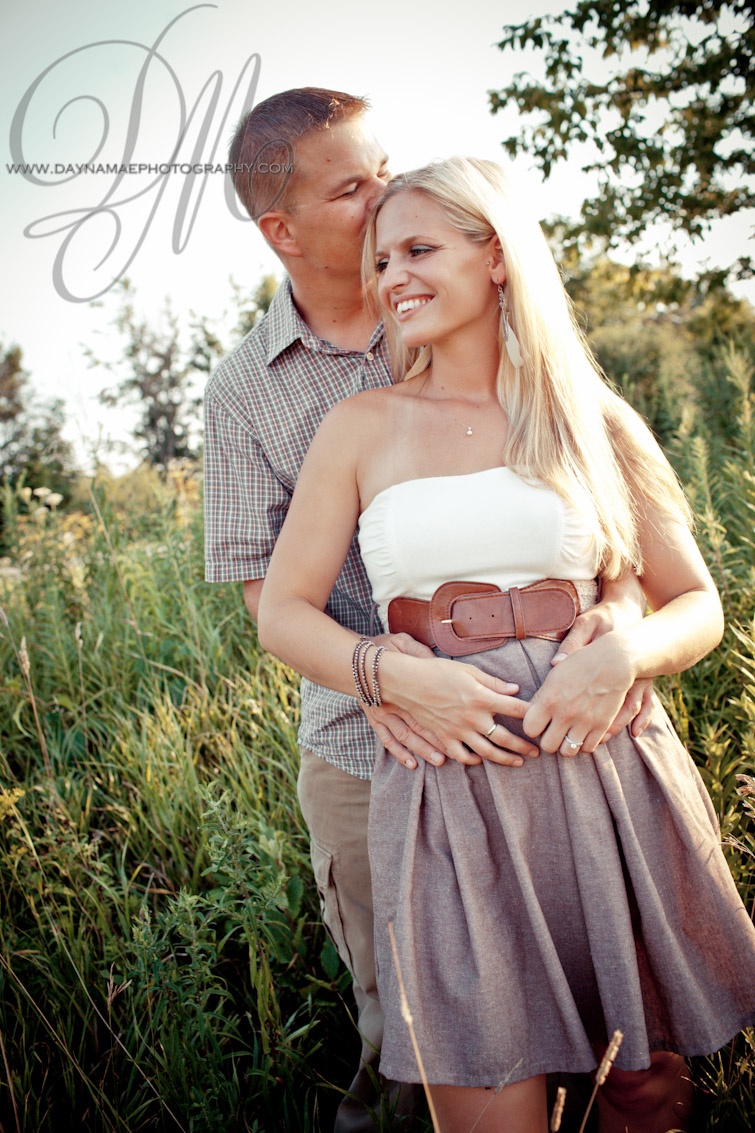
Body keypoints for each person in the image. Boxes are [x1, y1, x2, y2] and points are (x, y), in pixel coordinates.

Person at [256, 155, 755, 1133]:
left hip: (602, 768)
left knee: (640, 1092)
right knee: (485, 1081)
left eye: (418, 249)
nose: (392, 277)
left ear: (494, 256)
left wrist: (625, 653)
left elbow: (695, 602)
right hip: (451, 780)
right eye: (380, 259)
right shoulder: (359, 426)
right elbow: (284, 611)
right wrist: (383, 674)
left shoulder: (589, 418)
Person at [204, 88, 651, 1131]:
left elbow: (609, 535)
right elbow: (269, 594)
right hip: (370, 749)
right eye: (351, 190)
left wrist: (620, 625)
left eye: (384, 170)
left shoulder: (486, 319)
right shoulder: (248, 392)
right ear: (280, 230)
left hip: (557, 730)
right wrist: (386, 677)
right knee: (417, 1032)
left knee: (611, 1036)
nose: (384, 198)